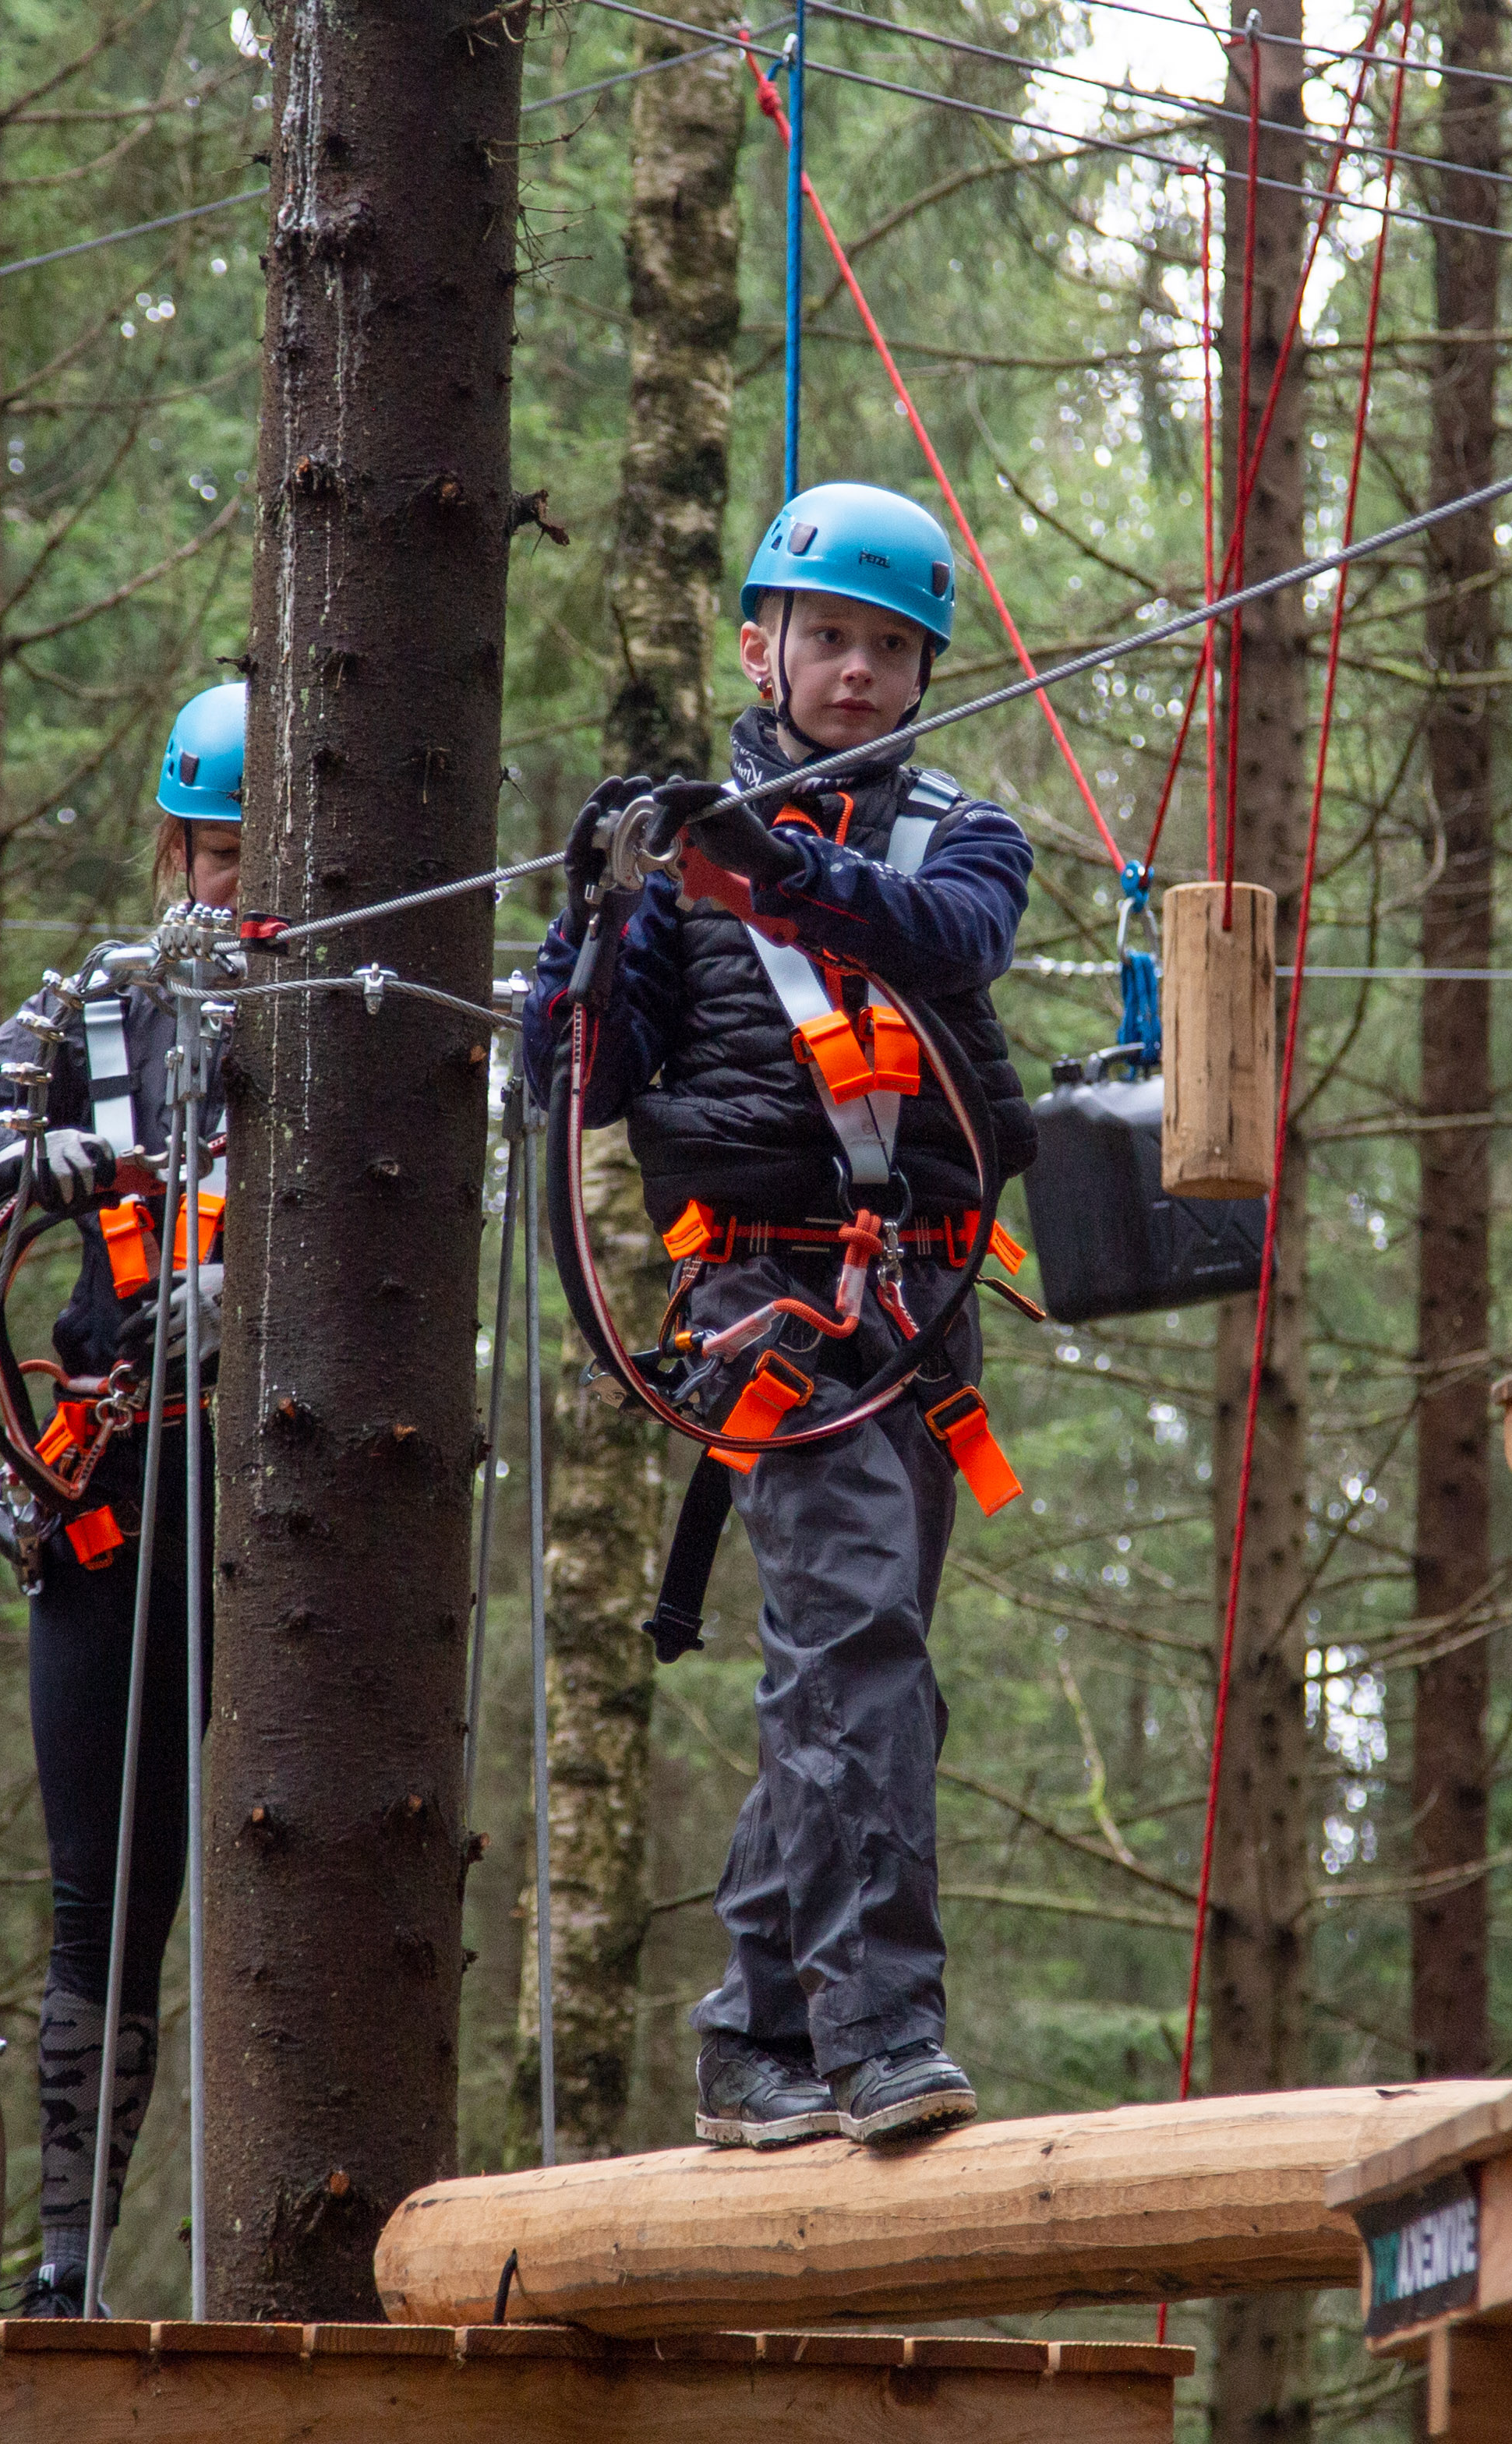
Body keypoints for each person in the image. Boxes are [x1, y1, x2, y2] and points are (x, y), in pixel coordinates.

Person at [522, 483, 1037, 2148]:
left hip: (920, 1301)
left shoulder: (962, 836)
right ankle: (876, 2034)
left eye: (891, 647)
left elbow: (952, 941)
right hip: (767, 1299)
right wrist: (597, 920)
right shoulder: (670, 872)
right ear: (761, 647)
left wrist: (776, 867)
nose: (858, 671)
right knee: (854, 1647)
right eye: (828, 637)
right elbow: (574, 1083)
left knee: (859, 1666)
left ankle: (754, 2030)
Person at [0, 680, 246, 2312]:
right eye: (212, 853)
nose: (232, 886)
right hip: (127, 1484)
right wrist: (30, 1161)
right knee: (106, 1881)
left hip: (310, 1499)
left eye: (259, 853)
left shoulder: (378, 1016)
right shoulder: (102, 1017)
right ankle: (72, 2256)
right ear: (173, 850)